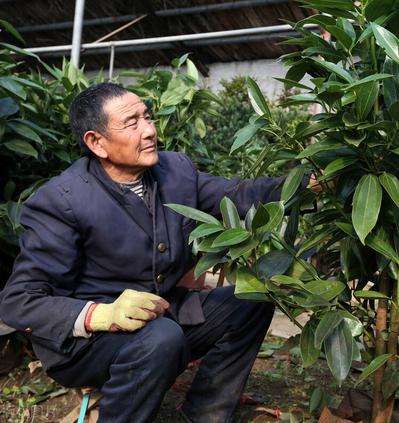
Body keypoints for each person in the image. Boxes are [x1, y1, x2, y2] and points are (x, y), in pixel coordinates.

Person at [0, 82, 311, 422]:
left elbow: (236, 194)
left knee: (251, 301)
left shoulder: (174, 171)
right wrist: (100, 314)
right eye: (131, 123)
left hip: (160, 315)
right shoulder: (63, 200)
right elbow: (18, 300)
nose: (149, 130)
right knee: (162, 338)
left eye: (146, 116)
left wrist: (308, 183)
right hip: (88, 344)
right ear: (96, 142)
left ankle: (205, 413)